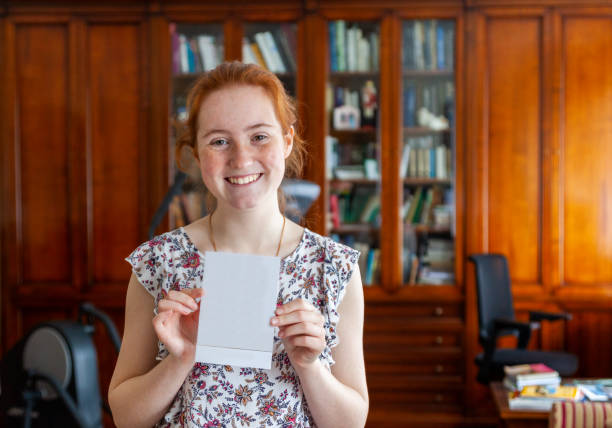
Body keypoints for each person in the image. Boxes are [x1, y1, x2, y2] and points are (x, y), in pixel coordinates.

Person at [108, 61, 368, 428]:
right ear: (197, 155)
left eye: (259, 136)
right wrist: (181, 357)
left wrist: (310, 366)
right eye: (219, 141)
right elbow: (125, 419)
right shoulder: (158, 263)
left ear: (287, 141)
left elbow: (351, 424)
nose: (241, 158)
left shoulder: (333, 267)